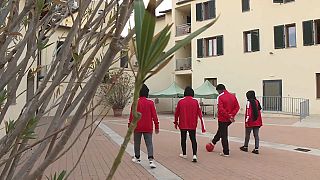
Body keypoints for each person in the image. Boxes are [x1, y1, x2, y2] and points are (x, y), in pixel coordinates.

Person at [129, 84, 159, 168]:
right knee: (149, 143)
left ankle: (137, 158)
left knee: (137, 143)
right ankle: (151, 160)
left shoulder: (135, 103)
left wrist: (130, 126)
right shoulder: (151, 103)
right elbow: (154, 115)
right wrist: (157, 126)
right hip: (148, 126)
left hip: (137, 126)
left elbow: (132, 116)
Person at [174, 86, 206, 162]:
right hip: (192, 124)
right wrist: (202, 125)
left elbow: (176, 113)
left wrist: (176, 122)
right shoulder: (195, 102)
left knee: (183, 139)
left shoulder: (180, 102)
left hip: (183, 123)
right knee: (193, 139)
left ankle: (184, 154)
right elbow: (200, 114)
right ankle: (194, 155)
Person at [210, 84, 240, 157]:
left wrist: (228, 115)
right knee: (221, 131)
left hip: (223, 119)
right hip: (229, 119)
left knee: (224, 134)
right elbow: (237, 107)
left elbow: (220, 109)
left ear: (219, 90)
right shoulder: (232, 96)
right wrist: (232, 115)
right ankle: (213, 142)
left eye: (218, 91)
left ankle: (226, 151)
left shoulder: (220, 97)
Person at [240, 90, 263, 154]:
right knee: (256, 135)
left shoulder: (249, 102)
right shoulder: (257, 101)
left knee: (247, 134)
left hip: (250, 121)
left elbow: (248, 113)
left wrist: (246, 121)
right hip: (257, 121)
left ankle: (245, 146)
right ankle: (256, 148)